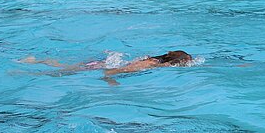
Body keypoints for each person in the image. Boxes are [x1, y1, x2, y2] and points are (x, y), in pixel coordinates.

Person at [20, 50, 193, 85]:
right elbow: (112, 71)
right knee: (63, 73)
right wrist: (110, 80)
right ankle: (28, 68)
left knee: (67, 67)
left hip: (101, 63)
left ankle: (36, 60)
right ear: (171, 63)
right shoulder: (151, 64)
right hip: (98, 67)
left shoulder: (155, 60)